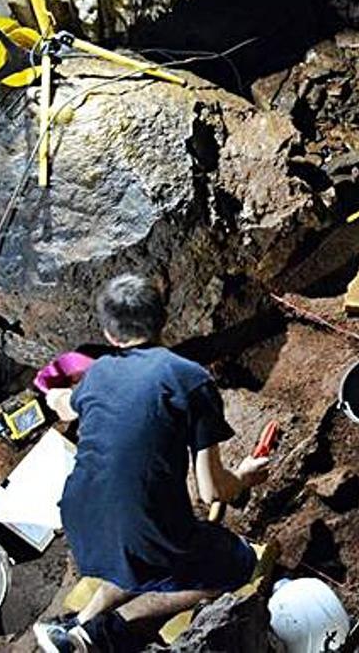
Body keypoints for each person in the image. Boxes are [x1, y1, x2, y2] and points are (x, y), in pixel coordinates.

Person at [33, 274, 270, 653]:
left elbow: (64, 404)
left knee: (138, 553)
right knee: (236, 564)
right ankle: (98, 637)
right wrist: (244, 475)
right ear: (164, 319)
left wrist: (58, 395)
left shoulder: (96, 373)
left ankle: (75, 624)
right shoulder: (191, 380)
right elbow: (213, 491)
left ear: (110, 336)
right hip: (141, 530)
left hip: (81, 523)